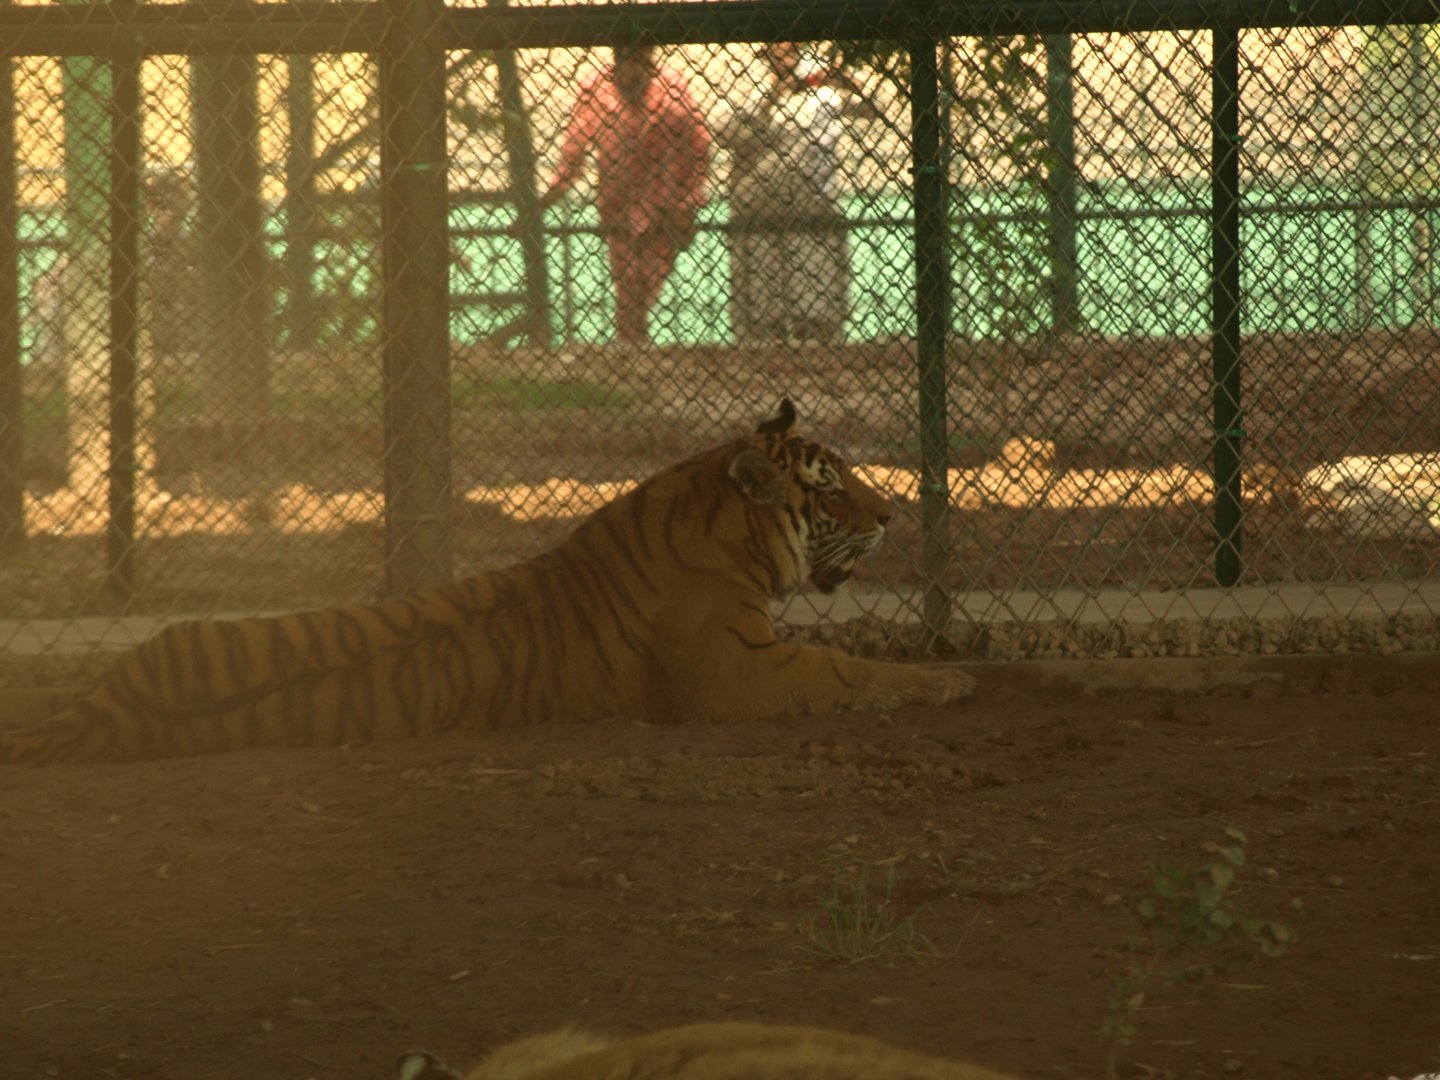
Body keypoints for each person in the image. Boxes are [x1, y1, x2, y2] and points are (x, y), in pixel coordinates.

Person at [540, 44, 710, 344]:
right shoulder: (596, 88)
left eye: (643, 62)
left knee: (650, 282)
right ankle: (631, 348)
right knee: (628, 282)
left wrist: (688, 202)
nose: (636, 73)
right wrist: (552, 193)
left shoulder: (672, 86)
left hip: (663, 209)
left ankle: (634, 345)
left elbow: (698, 146)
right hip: (618, 208)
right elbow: (574, 148)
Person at [714, 42, 853, 344]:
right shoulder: (744, 75)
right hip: (756, 211)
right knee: (760, 320)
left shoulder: (823, 75)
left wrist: (837, 81)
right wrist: (769, 96)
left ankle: (820, 371)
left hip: (813, 207)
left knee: (817, 315)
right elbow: (722, 128)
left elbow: (862, 106)